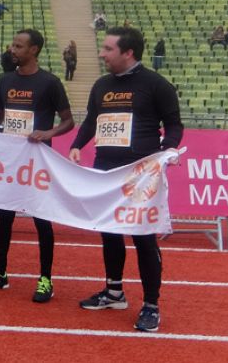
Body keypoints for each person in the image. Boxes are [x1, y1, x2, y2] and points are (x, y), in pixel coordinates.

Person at [69, 27, 183, 332]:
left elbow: (174, 125)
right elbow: (92, 120)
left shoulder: (156, 84)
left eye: (108, 49)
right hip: (105, 171)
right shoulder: (101, 85)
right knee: (109, 232)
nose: (102, 54)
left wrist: (167, 150)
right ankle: (114, 292)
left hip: (141, 176)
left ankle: (151, 305)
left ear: (128, 52)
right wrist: (77, 145)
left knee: (143, 237)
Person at [0, 29, 74, 303]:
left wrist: (48, 133)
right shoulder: (6, 80)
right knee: (4, 217)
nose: (12, 50)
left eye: (18, 46)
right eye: (12, 45)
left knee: (41, 220)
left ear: (34, 50)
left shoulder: (50, 82)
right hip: (11, 161)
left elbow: (68, 121)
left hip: (38, 162)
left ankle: (45, 279)